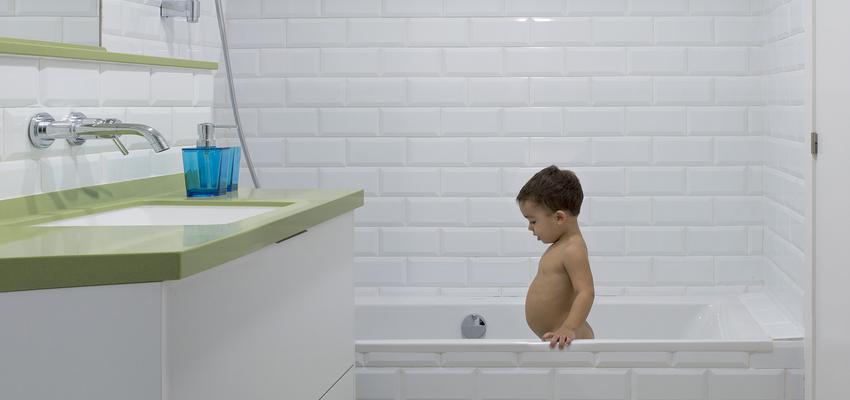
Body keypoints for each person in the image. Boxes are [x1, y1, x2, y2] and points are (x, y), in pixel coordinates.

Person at [517, 165, 595, 349]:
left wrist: (569, 328)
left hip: (570, 340)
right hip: (559, 340)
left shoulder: (572, 248)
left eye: (533, 221)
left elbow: (585, 292)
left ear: (559, 218)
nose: (530, 228)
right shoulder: (560, 246)